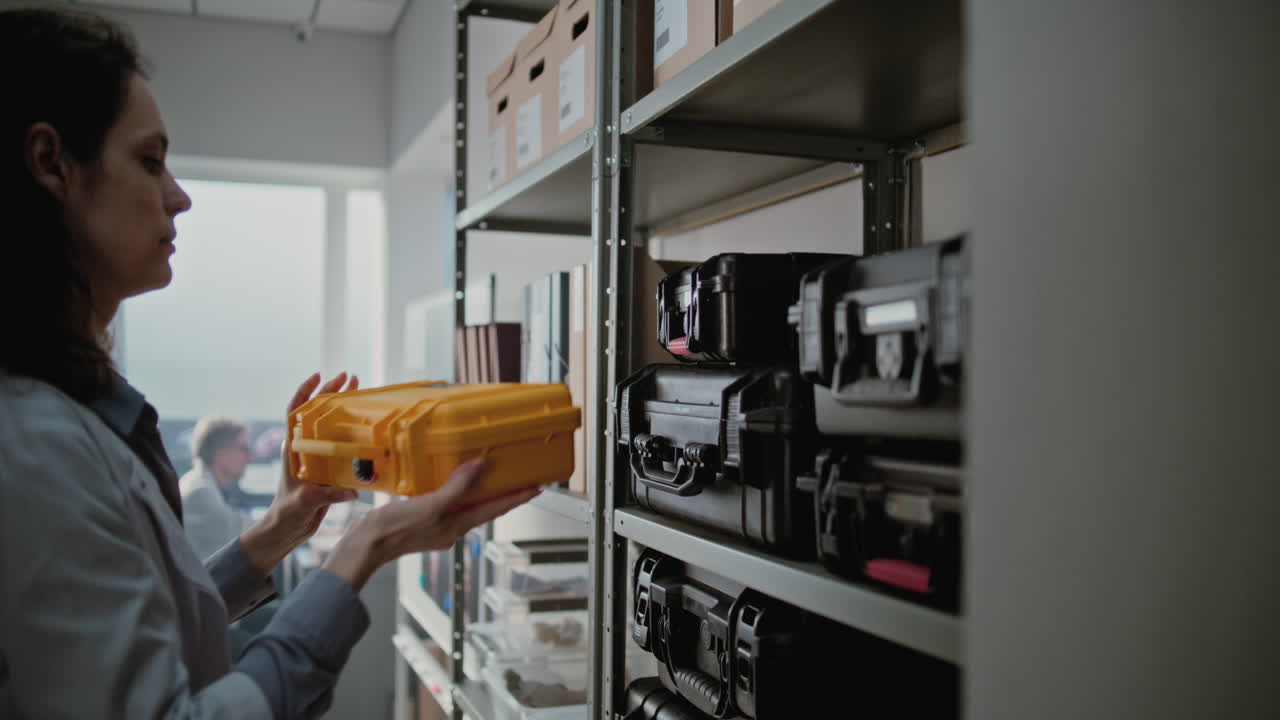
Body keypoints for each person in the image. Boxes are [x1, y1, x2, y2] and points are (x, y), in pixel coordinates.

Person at [0, 8, 539, 719]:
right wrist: (365, 546)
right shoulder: (33, 449)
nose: (179, 196)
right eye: (149, 160)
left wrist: (286, 524)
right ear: (51, 163)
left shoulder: (67, 413)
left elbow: (150, 619)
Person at [181, 416, 253, 562]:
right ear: (221, 455)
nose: (248, 456)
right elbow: (252, 533)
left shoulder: (200, 482)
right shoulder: (200, 492)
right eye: (243, 448)